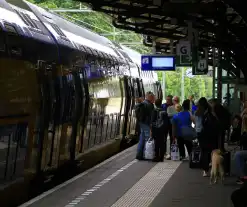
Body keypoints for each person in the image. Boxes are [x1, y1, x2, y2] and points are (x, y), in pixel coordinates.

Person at [197, 97, 219, 177]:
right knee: (212, 151)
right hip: (211, 135)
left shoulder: (198, 112)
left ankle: (205, 170)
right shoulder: (210, 111)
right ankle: (214, 167)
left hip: (202, 135)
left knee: (204, 151)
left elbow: (198, 126)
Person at [135, 91, 155, 160]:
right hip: (147, 123)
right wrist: (151, 125)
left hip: (141, 123)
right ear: (150, 97)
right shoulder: (150, 105)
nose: (154, 99)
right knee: (147, 139)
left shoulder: (142, 103)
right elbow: (151, 116)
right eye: (153, 97)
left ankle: (139, 154)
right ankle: (145, 155)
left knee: (142, 138)